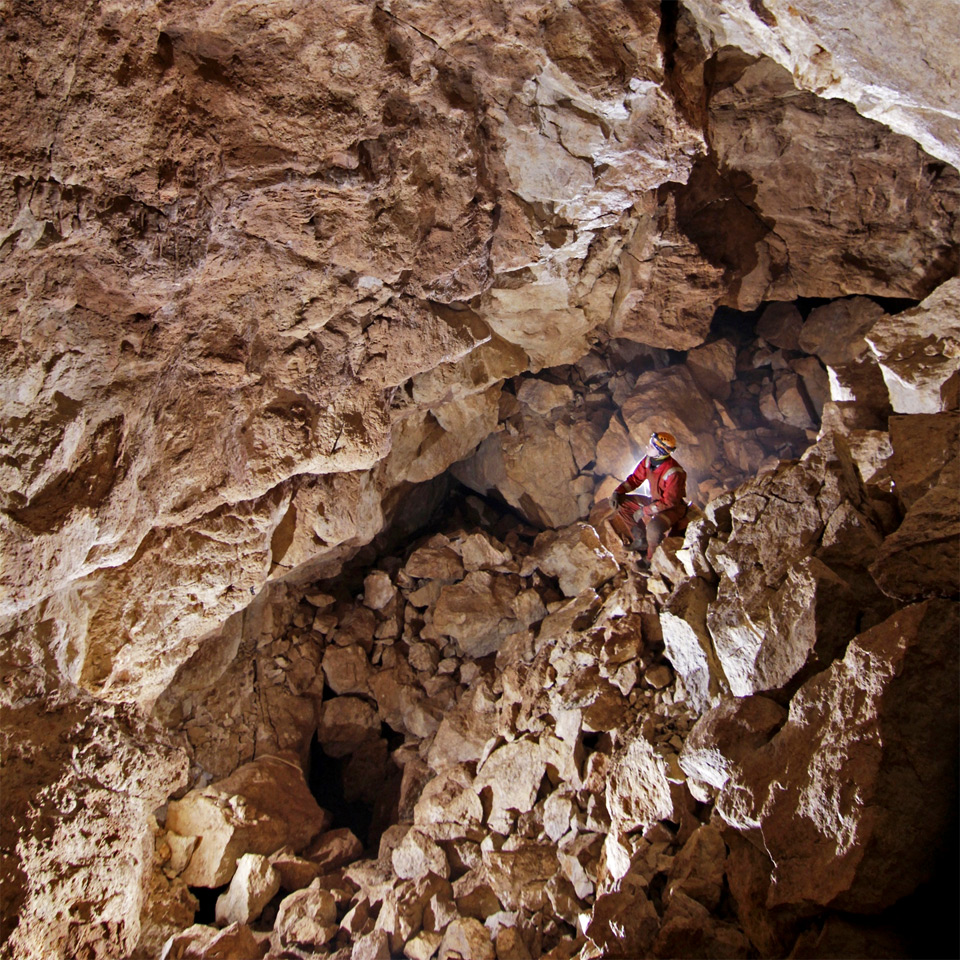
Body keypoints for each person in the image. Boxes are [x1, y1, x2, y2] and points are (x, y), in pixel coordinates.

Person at [608, 431, 689, 565]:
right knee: (623, 503)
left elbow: (669, 502)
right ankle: (640, 540)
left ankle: (650, 561)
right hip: (654, 501)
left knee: (654, 528)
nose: (648, 447)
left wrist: (645, 511)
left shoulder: (674, 472)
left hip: (673, 509)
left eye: (652, 446)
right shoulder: (648, 461)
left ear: (660, 452)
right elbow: (635, 479)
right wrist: (618, 492)